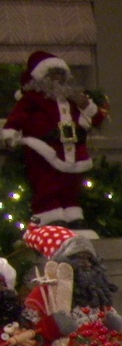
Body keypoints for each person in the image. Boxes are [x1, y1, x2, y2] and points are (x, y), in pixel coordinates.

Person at [1, 51, 108, 226]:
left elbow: (96, 119)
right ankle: (50, 213)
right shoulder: (32, 98)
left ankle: (73, 213)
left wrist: (85, 104)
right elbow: (17, 118)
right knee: (47, 182)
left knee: (69, 184)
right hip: (43, 148)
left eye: (61, 73)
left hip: (72, 148)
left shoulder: (73, 98)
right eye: (52, 74)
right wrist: (10, 135)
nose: (58, 78)